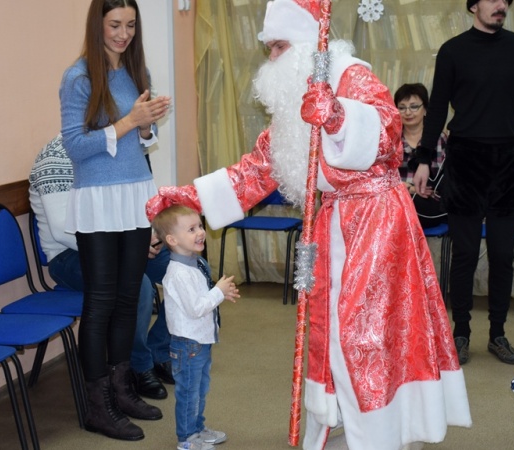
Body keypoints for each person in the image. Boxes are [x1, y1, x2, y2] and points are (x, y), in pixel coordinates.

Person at [146, 1, 471, 449]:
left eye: (278, 46)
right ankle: (342, 418)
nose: (272, 58)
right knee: (335, 332)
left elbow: (389, 133)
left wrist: (337, 115)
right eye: (269, 48)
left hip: (375, 222)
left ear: (304, 42)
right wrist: (187, 196)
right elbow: (257, 171)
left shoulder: (350, 75)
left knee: (366, 333)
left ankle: (379, 431)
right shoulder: (295, 96)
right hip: (333, 221)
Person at [414, 0, 514, 366]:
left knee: (503, 255)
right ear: (473, 6)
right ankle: (461, 333)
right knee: (466, 253)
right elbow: (437, 107)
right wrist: (424, 158)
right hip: (465, 162)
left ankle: (498, 334)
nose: (501, 5)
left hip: (506, 163)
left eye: (505, 0)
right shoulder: (453, 50)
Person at [59, 0, 171, 441]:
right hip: (98, 198)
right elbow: (75, 146)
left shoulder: (133, 71)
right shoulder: (78, 77)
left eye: (130, 25)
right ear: (97, 25)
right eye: (114, 25)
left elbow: (141, 140)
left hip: (133, 191)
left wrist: (147, 128)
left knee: (128, 298)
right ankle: (96, 405)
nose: (123, 34)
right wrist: (129, 123)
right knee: (101, 302)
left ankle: (122, 389)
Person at [28, 134, 172, 402]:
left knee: (188, 267)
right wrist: (130, 249)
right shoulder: (55, 157)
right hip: (69, 256)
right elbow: (62, 231)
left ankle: (159, 352)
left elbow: (140, 207)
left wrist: (153, 235)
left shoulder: (121, 149)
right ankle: (138, 367)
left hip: (122, 246)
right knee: (137, 287)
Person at [152, 205, 239, 450]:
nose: (200, 232)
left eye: (199, 226)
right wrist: (217, 292)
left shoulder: (193, 263)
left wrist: (220, 293)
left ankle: (198, 429)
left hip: (199, 341)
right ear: (172, 239)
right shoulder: (179, 272)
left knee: (200, 389)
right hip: (188, 344)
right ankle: (187, 439)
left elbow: (202, 299)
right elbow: (196, 308)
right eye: (191, 229)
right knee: (189, 393)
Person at [394, 83, 447, 229]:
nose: (408, 112)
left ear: (425, 109)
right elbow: (384, 178)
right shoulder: (391, 140)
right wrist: (409, 188)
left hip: (428, 203)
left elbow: (441, 180)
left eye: (414, 106)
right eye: (402, 107)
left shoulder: (438, 139)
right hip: (399, 197)